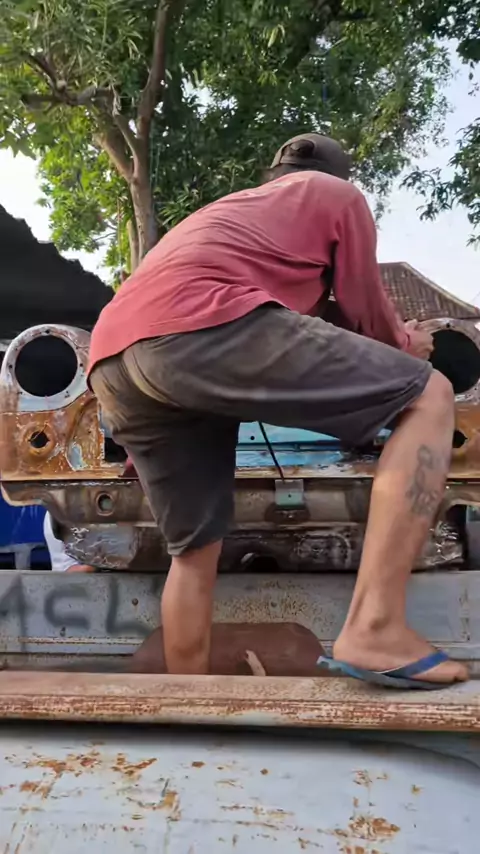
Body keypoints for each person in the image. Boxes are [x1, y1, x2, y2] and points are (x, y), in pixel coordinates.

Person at [88, 132, 468, 687]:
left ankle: (189, 701)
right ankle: (376, 628)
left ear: (272, 175)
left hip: (114, 360)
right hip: (200, 326)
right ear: (341, 177)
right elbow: (367, 316)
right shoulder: (336, 195)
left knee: (193, 553)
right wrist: (410, 344)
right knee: (428, 394)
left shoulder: (231, 216)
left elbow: (307, 326)